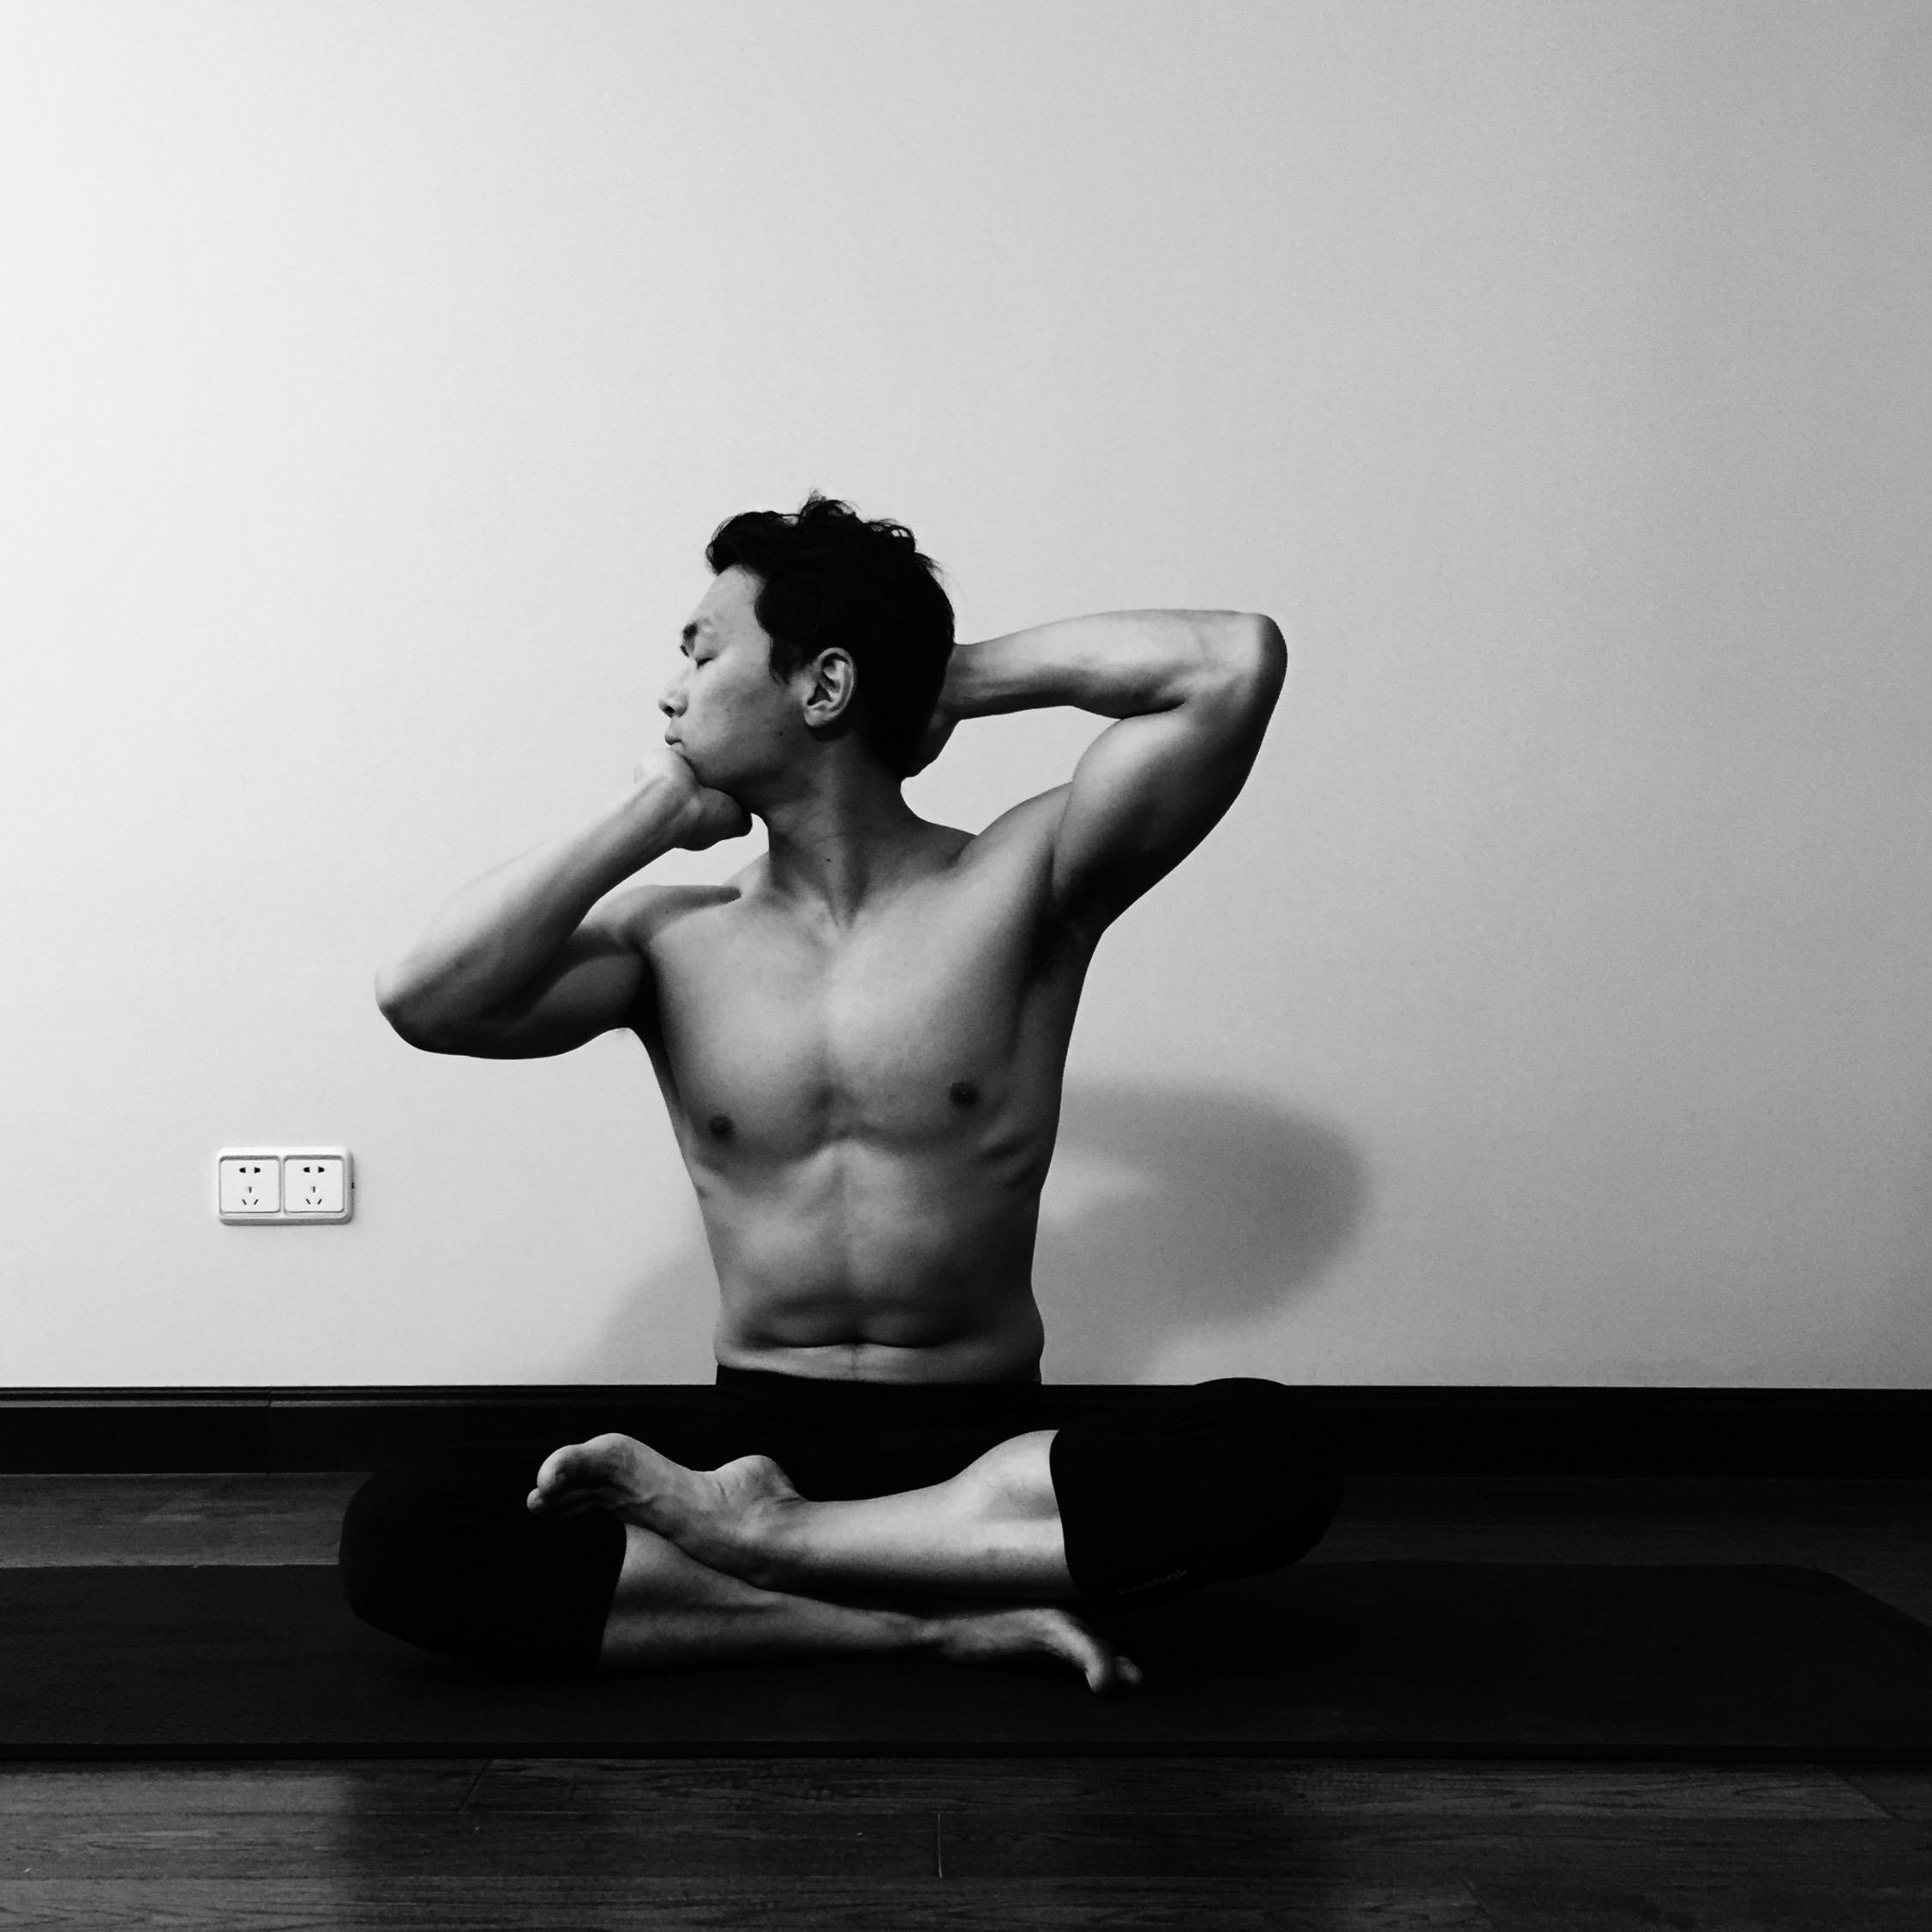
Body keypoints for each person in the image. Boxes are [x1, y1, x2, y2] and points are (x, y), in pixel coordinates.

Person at [341, 495, 1337, 1690]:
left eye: (701, 653)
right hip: (754, 1437)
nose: (670, 693)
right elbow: (426, 998)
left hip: (981, 1441)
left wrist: (939, 676)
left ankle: (773, 1552)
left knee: (1276, 1456)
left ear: (822, 685)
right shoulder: (670, 937)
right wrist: (653, 811)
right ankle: (923, 1614)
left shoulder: (1023, 882)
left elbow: (1229, 663)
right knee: (401, 1531)